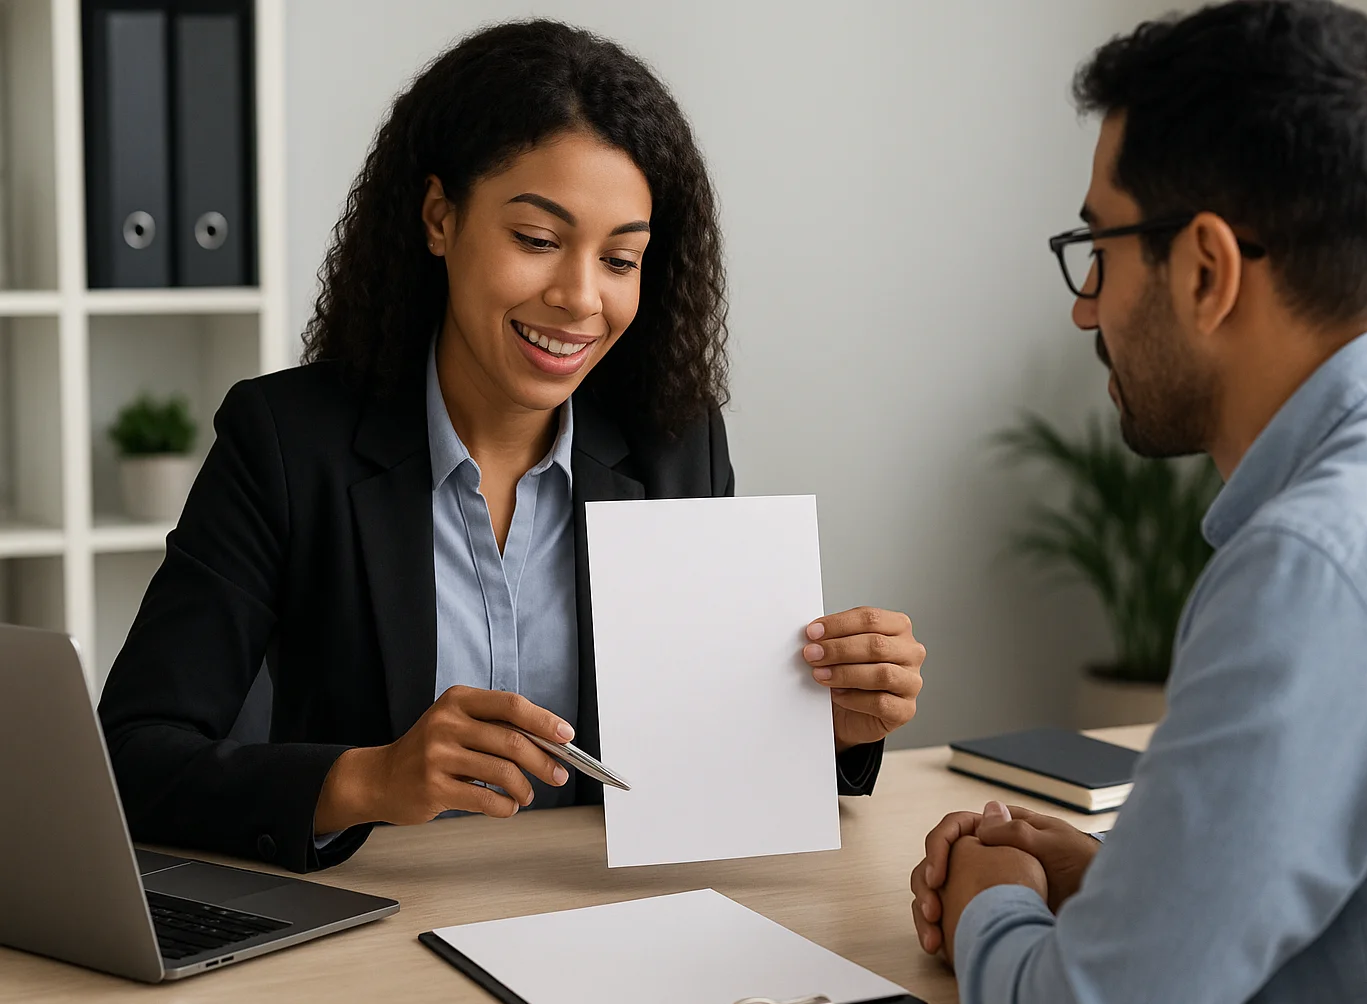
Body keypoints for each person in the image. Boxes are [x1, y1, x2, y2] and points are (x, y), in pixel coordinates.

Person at [97, 20, 924, 875]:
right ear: (439, 218)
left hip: (599, 923)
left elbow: (695, 761)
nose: (579, 298)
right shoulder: (285, 442)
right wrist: (368, 779)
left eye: (622, 259)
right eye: (537, 240)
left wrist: (821, 729)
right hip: (372, 938)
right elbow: (129, 759)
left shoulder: (675, 447)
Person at [910, 2, 1367, 1004]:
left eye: (1097, 250)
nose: (1083, 306)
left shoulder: (1316, 566)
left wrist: (994, 902)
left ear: (1206, 269)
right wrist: (1122, 886)